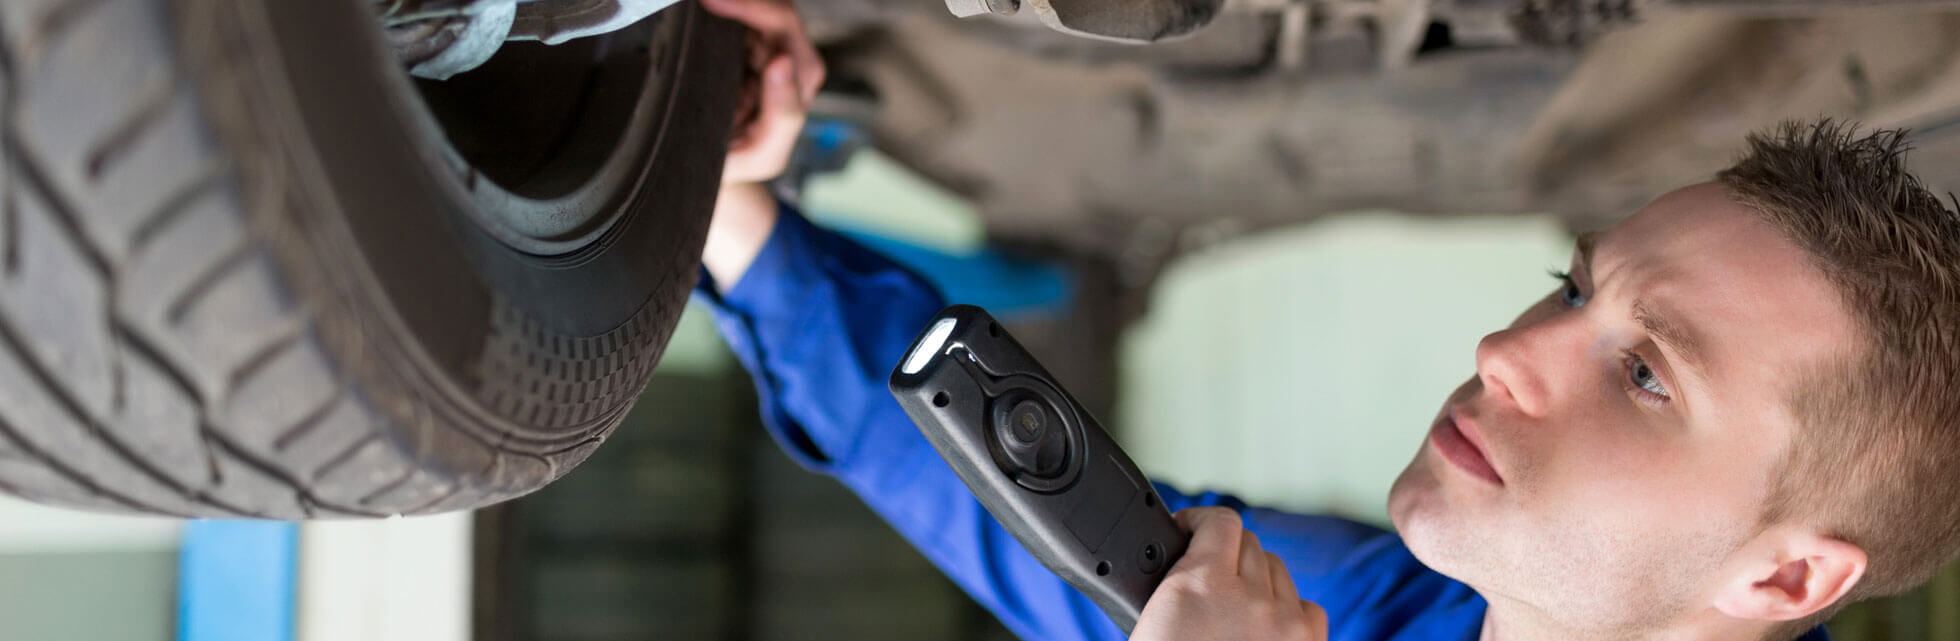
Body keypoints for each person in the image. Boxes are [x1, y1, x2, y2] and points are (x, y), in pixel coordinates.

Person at [694, 0, 1960, 638]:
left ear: (1788, 574)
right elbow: (1026, 524)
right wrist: (731, 203)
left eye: (1643, 373)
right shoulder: (1392, 606)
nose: (1504, 351)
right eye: (1572, 289)